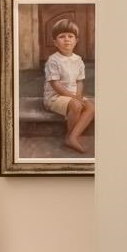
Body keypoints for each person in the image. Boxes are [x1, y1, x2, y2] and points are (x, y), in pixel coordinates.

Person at [42, 17, 94, 155]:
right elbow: (55, 83)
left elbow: (79, 81)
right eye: (62, 36)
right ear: (55, 42)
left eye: (70, 36)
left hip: (72, 96)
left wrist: (78, 96)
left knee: (90, 107)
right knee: (76, 105)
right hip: (55, 97)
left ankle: (72, 137)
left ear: (76, 41)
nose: (67, 40)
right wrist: (73, 98)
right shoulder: (53, 60)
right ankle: (69, 136)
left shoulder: (78, 60)